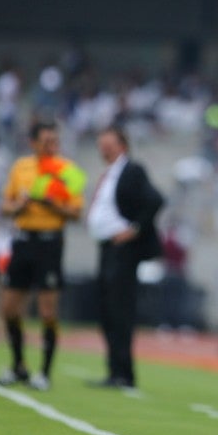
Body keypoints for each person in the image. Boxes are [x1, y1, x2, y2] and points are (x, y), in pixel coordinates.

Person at [0, 121, 84, 391]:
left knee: (47, 310)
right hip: (23, 240)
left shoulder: (67, 170)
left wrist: (53, 205)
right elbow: (5, 206)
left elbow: (77, 213)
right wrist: (19, 205)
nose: (51, 146)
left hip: (50, 242)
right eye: (46, 141)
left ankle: (44, 372)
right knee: (9, 307)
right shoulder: (21, 168)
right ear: (33, 143)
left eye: (54, 141)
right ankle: (18, 364)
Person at [87, 125, 164, 389]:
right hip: (107, 248)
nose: (103, 148)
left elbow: (155, 200)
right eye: (101, 144)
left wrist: (134, 230)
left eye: (108, 143)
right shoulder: (110, 173)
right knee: (107, 310)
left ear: (122, 145)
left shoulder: (132, 170)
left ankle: (124, 373)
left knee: (120, 311)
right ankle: (114, 370)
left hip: (123, 250)